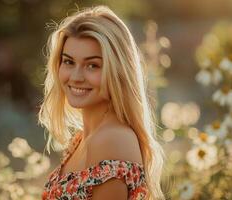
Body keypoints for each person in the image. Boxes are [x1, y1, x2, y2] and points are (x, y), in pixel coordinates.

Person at [38, 5, 165, 200]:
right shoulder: (82, 139)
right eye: (69, 62)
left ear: (118, 70)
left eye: (92, 65)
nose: (76, 77)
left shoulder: (111, 139)